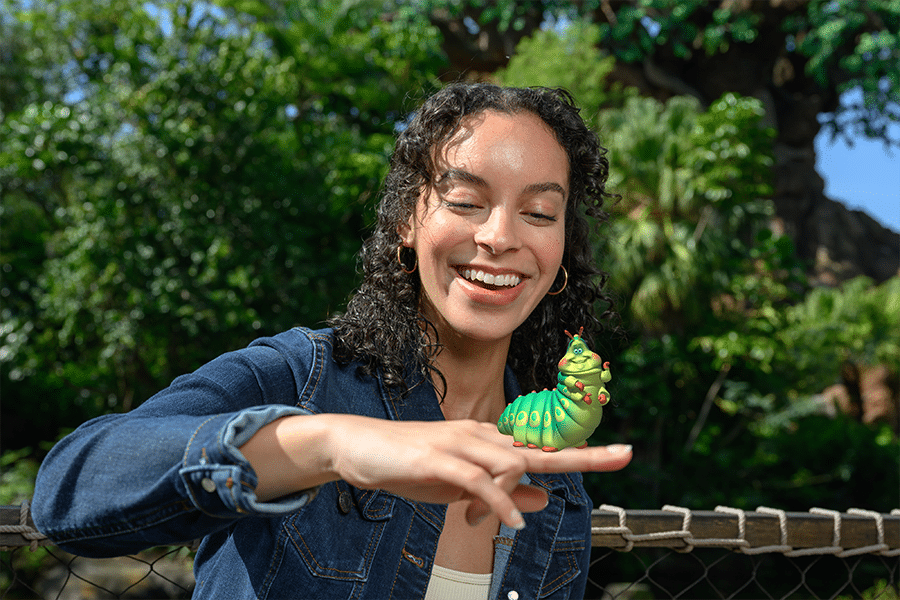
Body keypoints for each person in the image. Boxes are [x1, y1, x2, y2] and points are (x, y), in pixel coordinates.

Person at [32, 83, 632, 600]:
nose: (500, 236)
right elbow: (68, 490)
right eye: (466, 202)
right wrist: (328, 444)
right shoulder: (302, 377)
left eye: (539, 213)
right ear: (407, 221)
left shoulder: (557, 483)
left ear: (560, 255)